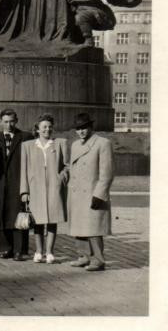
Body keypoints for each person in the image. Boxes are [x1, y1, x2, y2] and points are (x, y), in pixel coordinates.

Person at [66, 113, 114, 271]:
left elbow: (107, 173)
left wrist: (99, 194)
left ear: (91, 127)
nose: (81, 131)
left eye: (84, 128)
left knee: (93, 228)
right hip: (77, 193)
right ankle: (83, 256)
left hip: (92, 193)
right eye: (78, 129)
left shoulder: (102, 143)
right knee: (79, 226)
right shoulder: (75, 145)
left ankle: (98, 260)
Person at [20, 113, 69, 264]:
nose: (47, 130)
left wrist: (61, 178)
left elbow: (67, 166)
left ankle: (50, 252)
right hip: (35, 188)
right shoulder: (27, 146)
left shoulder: (60, 143)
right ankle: (39, 251)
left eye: (49, 127)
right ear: (37, 129)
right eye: (44, 127)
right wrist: (24, 191)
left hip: (54, 188)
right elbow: (24, 169)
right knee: (38, 221)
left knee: (53, 220)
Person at [0, 109, 33, 261]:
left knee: (18, 214)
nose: (9, 125)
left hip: (18, 180)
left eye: (12, 121)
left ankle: (20, 250)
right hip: (0, 182)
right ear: (1, 122)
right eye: (6, 122)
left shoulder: (26, 137)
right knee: (2, 214)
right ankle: (5, 248)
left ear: (17, 121)